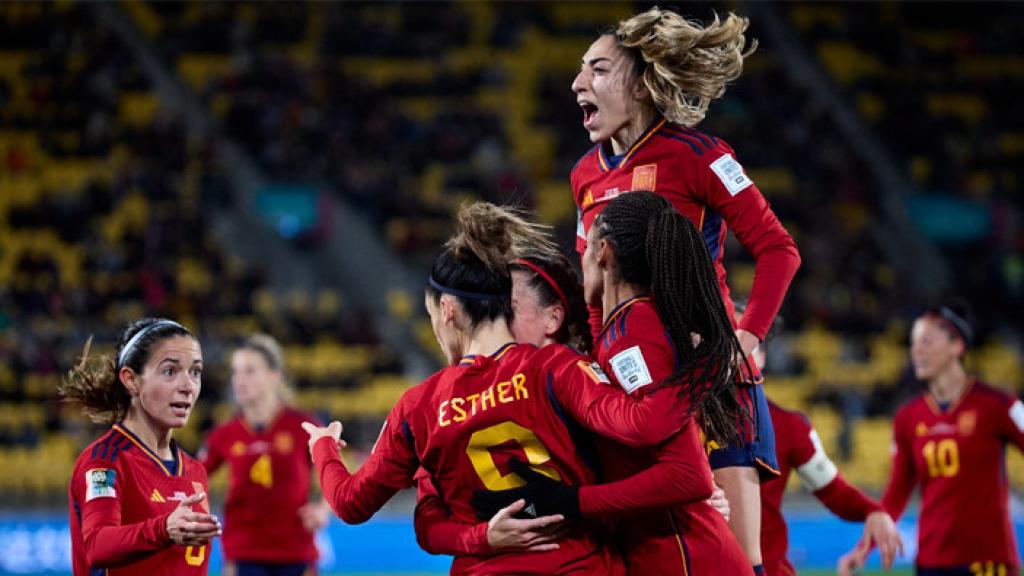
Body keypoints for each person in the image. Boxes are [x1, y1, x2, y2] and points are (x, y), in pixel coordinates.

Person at [302, 202, 705, 574]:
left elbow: (350, 503)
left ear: (447, 311)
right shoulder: (559, 367)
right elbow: (638, 431)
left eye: (430, 315)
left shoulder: (419, 407)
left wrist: (322, 447)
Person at [568, 8, 802, 571]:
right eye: (580, 71)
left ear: (642, 83)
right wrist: (597, 358)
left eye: (598, 69)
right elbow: (591, 290)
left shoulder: (701, 155)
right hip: (638, 383)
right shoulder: (584, 177)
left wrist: (745, 338)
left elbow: (779, 249)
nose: (578, 83)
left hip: (710, 377)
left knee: (740, 560)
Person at [411, 221, 733, 559]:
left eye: (507, 308)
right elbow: (429, 519)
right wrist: (482, 538)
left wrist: (694, 494)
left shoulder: (588, 380)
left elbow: (678, 471)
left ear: (553, 320)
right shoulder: (454, 399)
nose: (492, 316)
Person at [838, 305, 1024, 576]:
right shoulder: (907, 417)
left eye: (926, 341)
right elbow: (896, 493)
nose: (916, 351)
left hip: (988, 560)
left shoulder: (999, 406)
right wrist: (863, 549)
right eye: (913, 343)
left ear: (956, 346)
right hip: (931, 562)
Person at [735, 304, 902, 575]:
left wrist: (873, 511)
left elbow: (831, 489)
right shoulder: (687, 421)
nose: (738, 348)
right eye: (729, 336)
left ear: (762, 356)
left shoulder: (790, 426)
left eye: (748, 340)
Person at [62, 318, 221, 576]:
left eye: (195, 372)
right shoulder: (104, 461)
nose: (188, 386)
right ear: (131, 380)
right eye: (170, 371)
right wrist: (164, 529)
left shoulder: (195, 471)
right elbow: (97, 546)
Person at [200, 334, 329, 576]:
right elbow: (193, 479)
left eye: (249, 371)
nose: (239, 380)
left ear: (274, 376)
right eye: (235, 372)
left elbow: (334, 474)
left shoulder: (304, 426)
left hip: (296, 551)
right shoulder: (224, 434)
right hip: (242, 553)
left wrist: (322, 508)